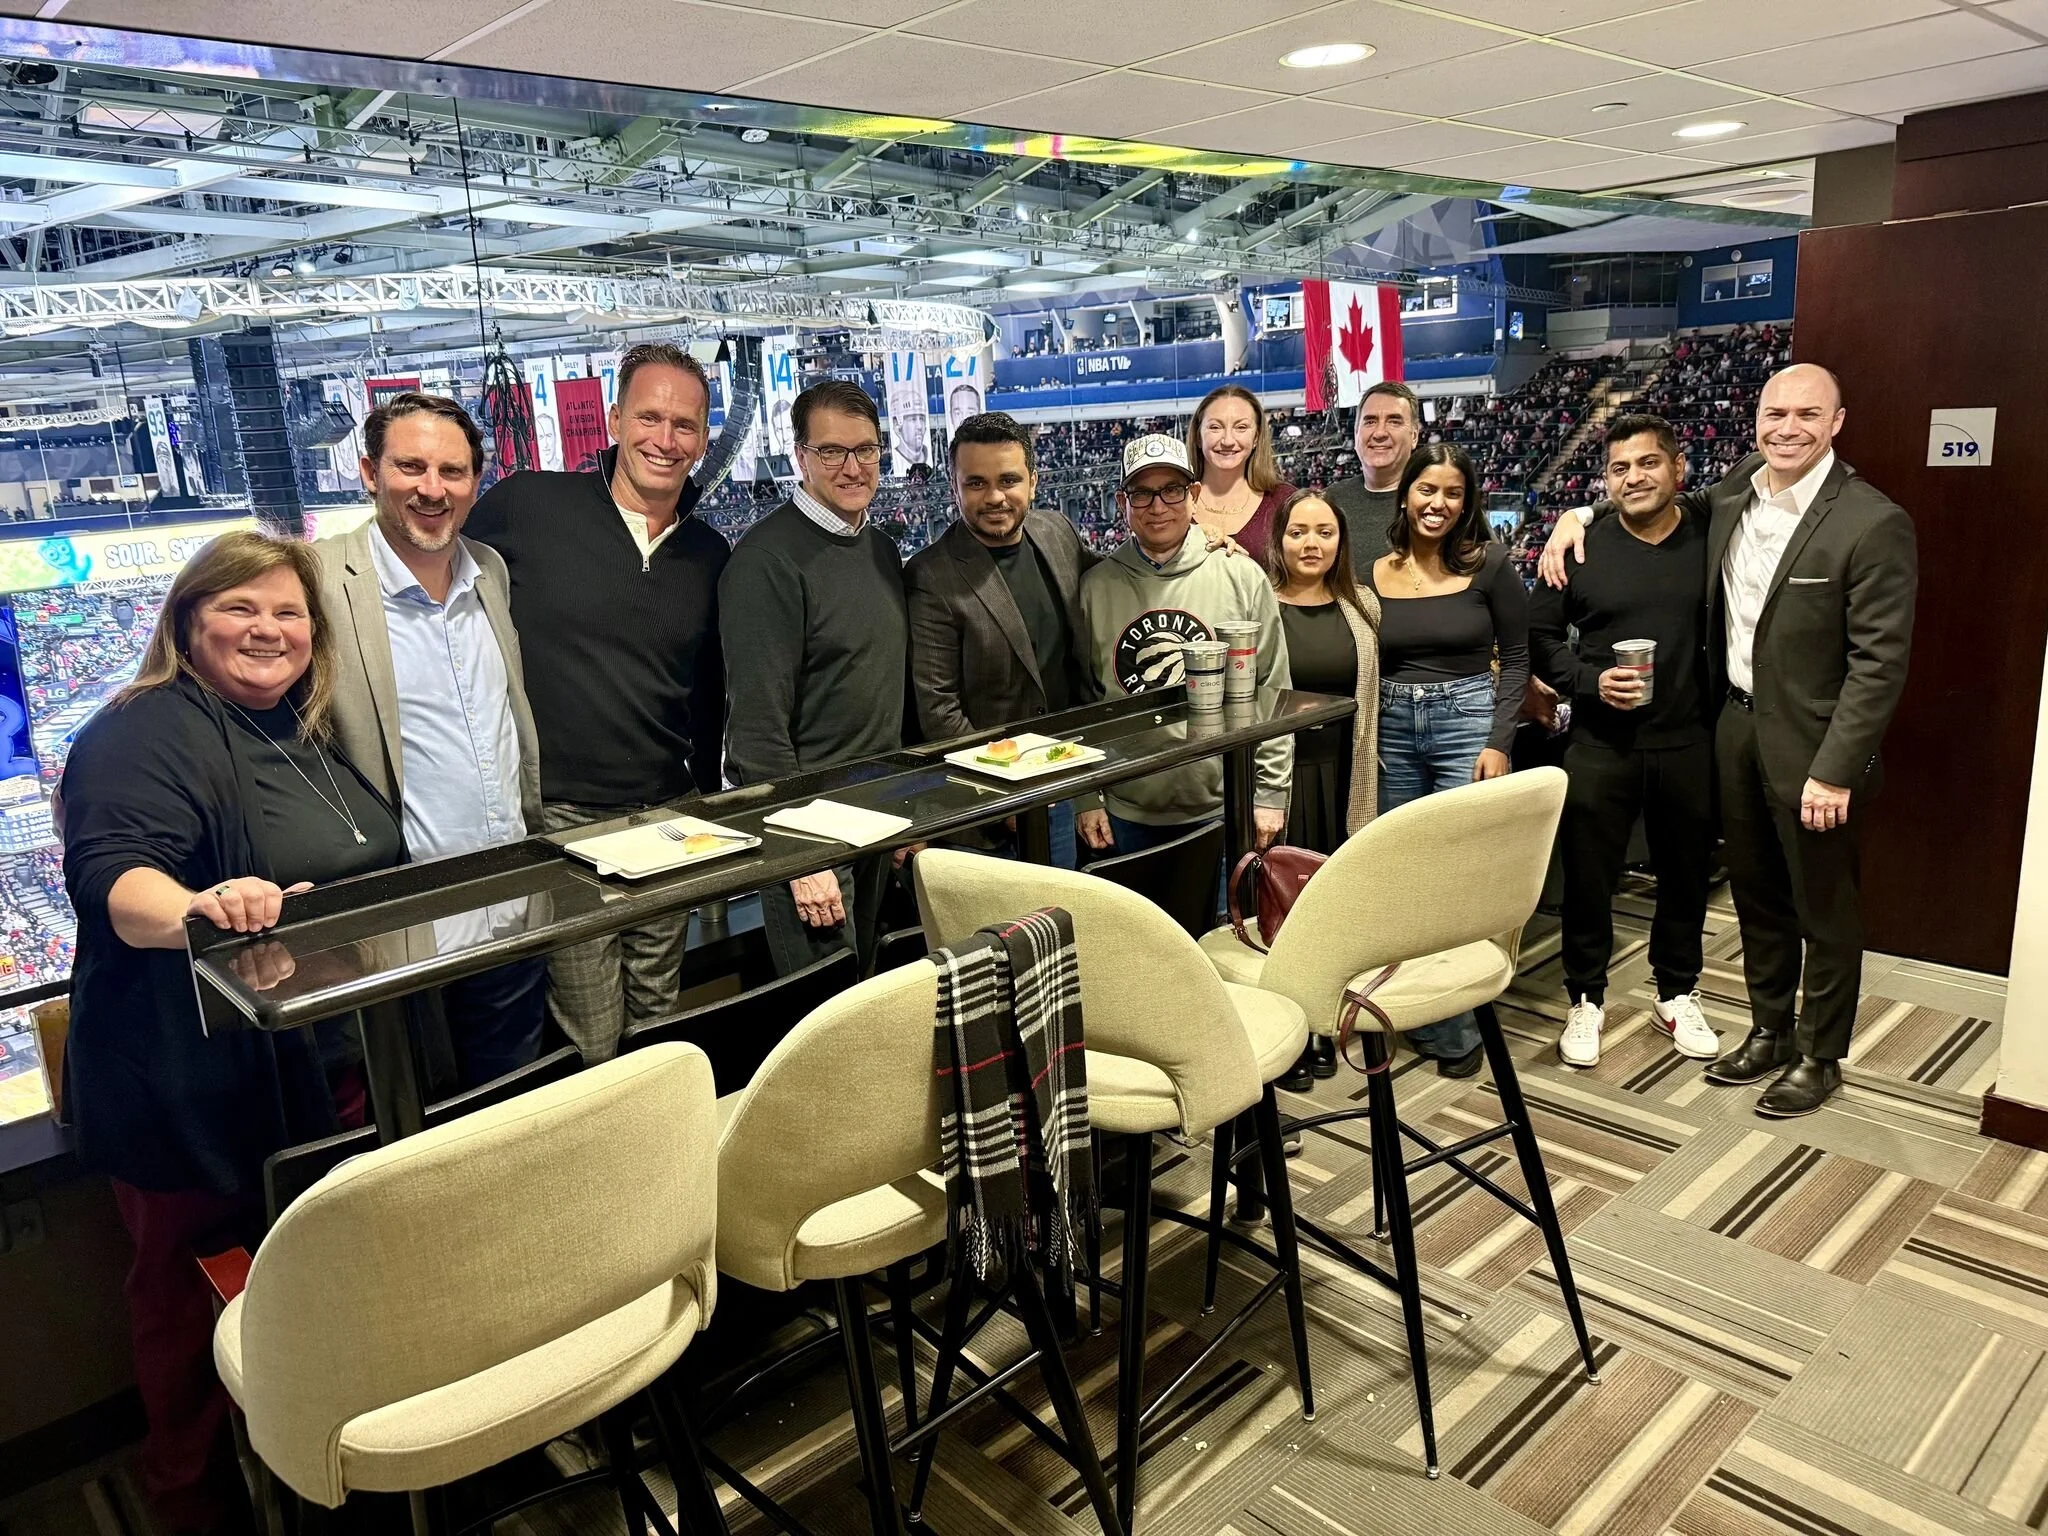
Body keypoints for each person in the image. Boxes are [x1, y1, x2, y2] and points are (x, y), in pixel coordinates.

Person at [59, 532, 403, 1536]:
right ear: (185, 621)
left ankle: (323, 1482)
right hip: (191, 1088)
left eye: (287, 612)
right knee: (191, 1313)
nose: (268, 629)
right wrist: (202, 907)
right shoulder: (141, 731)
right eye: (239, 609)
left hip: (323, 1063)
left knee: (315, 1298)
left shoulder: (301, 729)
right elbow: (119, 883)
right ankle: (192, 1507)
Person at [1540, 364, 1917, 1116]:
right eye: (1774, 413)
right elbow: (1638, 495)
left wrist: (1837, 770)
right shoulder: (1738, 493)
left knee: (1825, 907)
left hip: (1814, 747)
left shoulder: (1873, 522)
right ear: (1754, 422)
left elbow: (1880, 663)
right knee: (1756, 896)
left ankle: (1820, 1054)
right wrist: (1573, 513)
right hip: (1733, 729)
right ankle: (1772, 1029)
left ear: (1837, 422)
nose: (1787, 427)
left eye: (1807, 414)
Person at [465, 342, 729, 1063]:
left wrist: (706, 795)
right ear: (614, 419)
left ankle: (661, 1161)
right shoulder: (529, 506)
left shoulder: (708, 553)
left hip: (668, 814)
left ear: (704, 438)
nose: (665, 440)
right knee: (591, 1032)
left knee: (659, 1020)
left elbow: (707, 691)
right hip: (564, 816)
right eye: (650, 417)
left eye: (685, 426)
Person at [314, 392, 546, 1090]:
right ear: (369, 471)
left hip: (510, 912)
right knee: (425, 1145)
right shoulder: (320, 581)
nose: (432, 489)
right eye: (410, 467)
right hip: (402, 936)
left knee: (513, 1117)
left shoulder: (490, 574)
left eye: (452, 471)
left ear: (477, 481)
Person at [1529, 415, 1718, 1071]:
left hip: (1689, 738)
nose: (1634, 477)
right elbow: (1542, 637)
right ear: (1604, 479)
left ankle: (1678, 990)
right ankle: (1586, 997)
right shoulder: (1579, 547)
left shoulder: (1710, 532)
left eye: (1648, 463)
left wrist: (1569, 511)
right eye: (1619, 468)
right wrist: (1586, 680)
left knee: (1686, 877)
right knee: (1588, 879)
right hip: (1601, 744)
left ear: (1677, 469)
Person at [722, 377, 907, 975]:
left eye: (866, 449)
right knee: (831, 1027)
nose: (852, 467)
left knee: (878, 1003)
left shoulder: (879, 547)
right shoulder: (765, 563)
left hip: (879, 814)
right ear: (800, 455)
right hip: (814, 836)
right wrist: (802, 858)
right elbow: (756, 731)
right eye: (832, 451)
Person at [1369, 442, 1529, 1076]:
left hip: (1467, 718)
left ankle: (1457, 1022)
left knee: (1457, 874)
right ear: (1406, 493)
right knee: (1404, 872)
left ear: (1469, 503)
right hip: (1393, 723)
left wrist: (1500, 740)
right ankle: (1418, 1010)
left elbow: (1516, 659)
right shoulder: (1376, 572)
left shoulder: (1490, 564)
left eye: (1453, 493)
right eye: (1427, 490)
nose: (1438, 504)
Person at [903, 411, 1103, 868]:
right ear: (954, 488)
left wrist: (1198, 538)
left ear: (1033, 481)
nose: (995, 497)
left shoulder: (1057, 532)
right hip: (993, 814)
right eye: (975, 483)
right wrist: (1007, 793)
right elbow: (939, 712)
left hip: (1066, 779)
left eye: (1008, 479)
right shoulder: (931, 575)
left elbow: (1120, 576)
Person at [1078, 433, 1291, 861]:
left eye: (1172, 490)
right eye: (1142, 493)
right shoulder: (1096, 587)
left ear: (1194, 494)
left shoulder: (1241, 576)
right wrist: (1085, 797)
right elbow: (1082, 701)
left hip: (1224, 804)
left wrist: (1270, 791)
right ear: (1123, 503)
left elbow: (1274, 689)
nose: (1158, 507)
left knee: (1224, 930)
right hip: (1124, 812)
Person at [1267, 486, 1381, 1088]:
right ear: (1279, 540)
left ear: (1341, 542)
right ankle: (1288, 1034)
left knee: (1332, 912)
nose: (1311, 543)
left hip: (1346, 777)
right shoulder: (1261, 603)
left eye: (1325, 532)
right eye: (1298, 532)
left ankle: (1323, 1026)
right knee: (1282, 915)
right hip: (1284, 781)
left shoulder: (1363, 606)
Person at [1322, 380, 1420, 577]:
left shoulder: (1436, 502)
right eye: (1370, 421)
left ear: (1414, 436)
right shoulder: (1330, 501)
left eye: (1394, 421)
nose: (1380, 433)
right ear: (1356, 434)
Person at [1187, 385, 1295, 561]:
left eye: (1241, 427)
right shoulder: (1173, 501)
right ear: (1198, 436)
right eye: (1215, 427)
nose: (1228, 440)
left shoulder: (1284, 501)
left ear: (1256, 438)